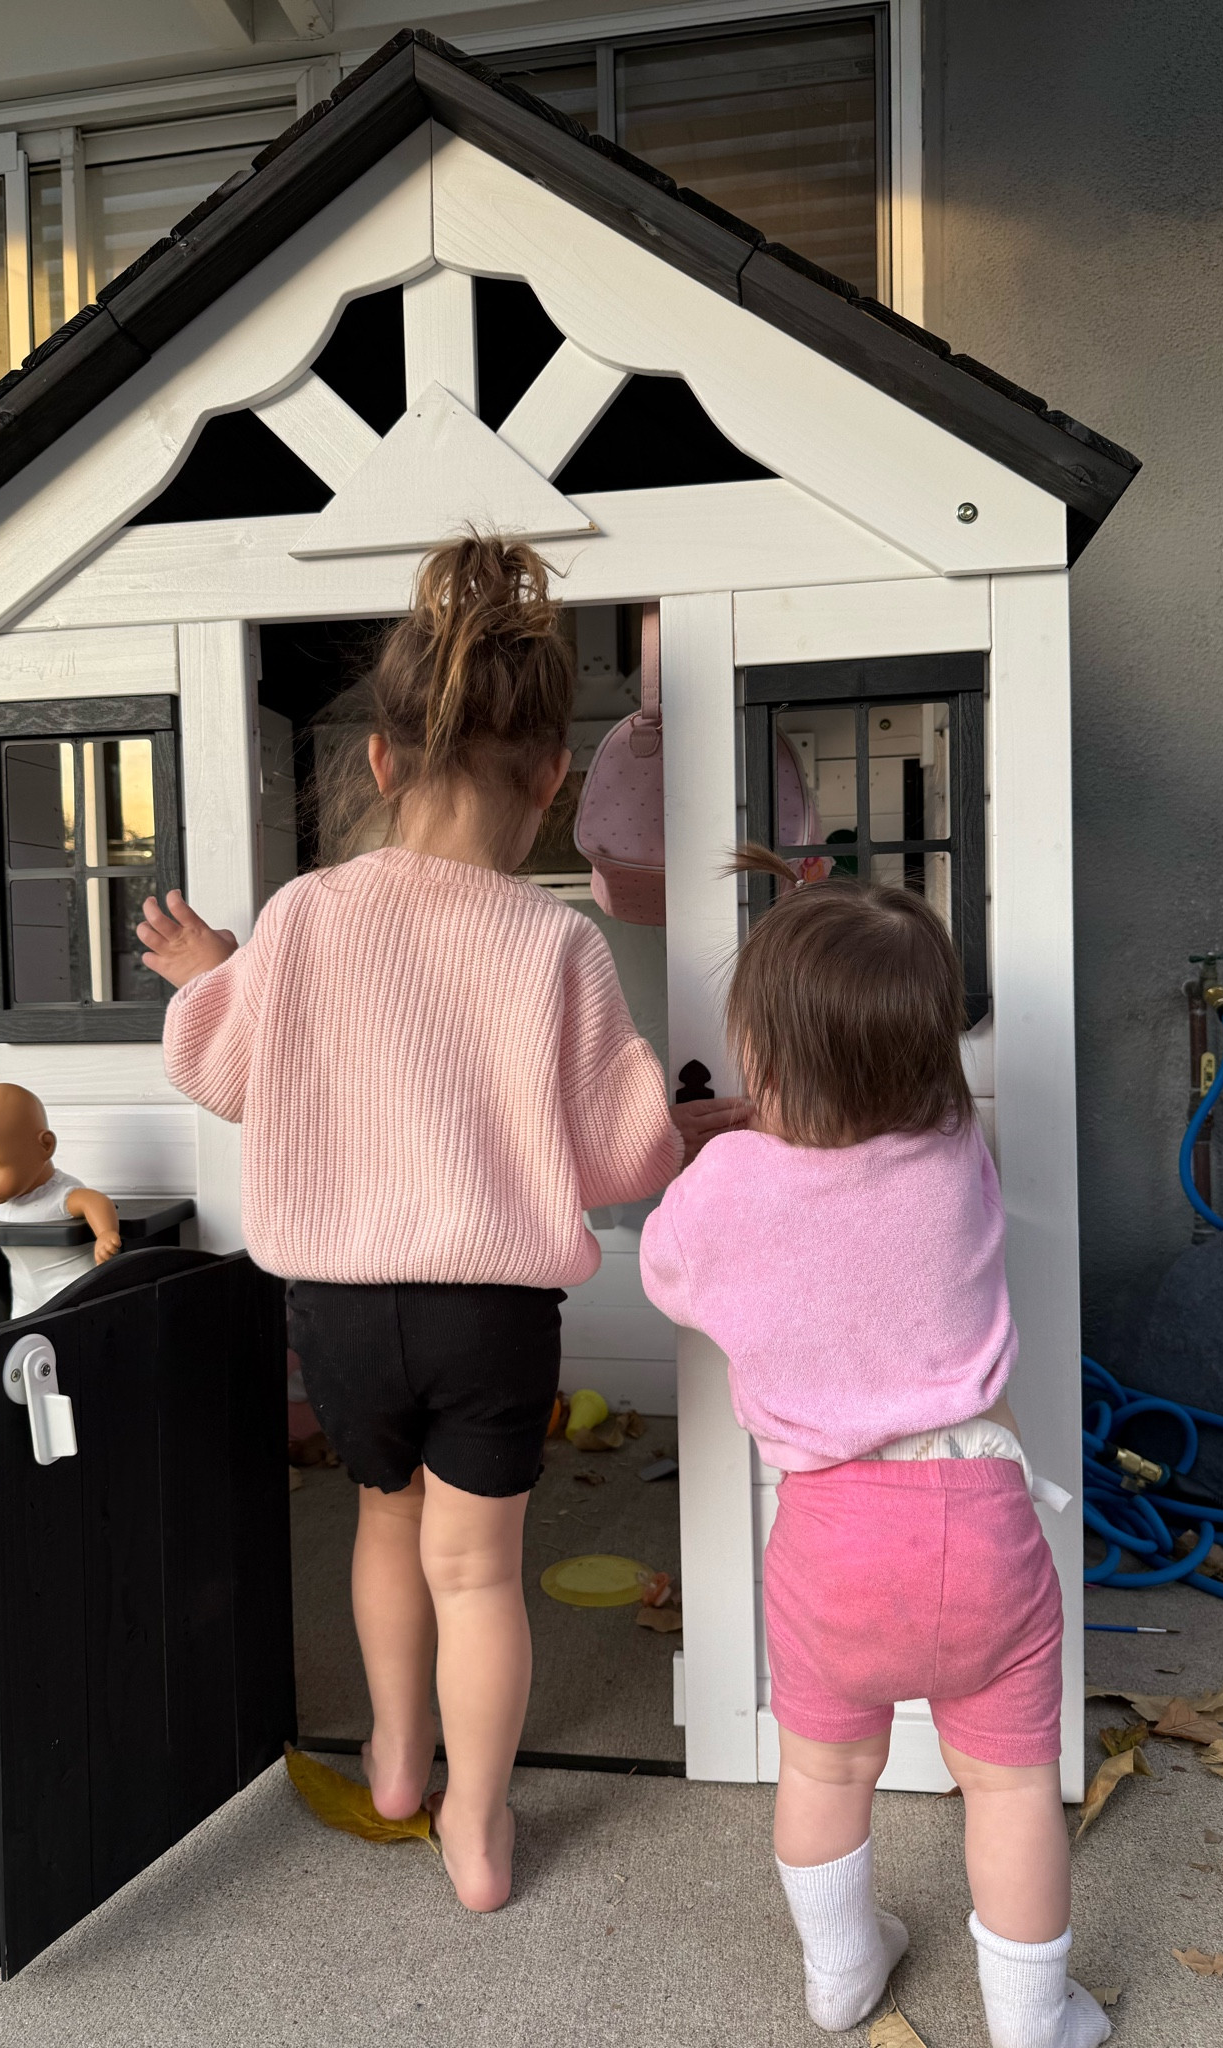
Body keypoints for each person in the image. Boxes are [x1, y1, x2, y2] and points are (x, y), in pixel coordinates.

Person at [138, 537, 739, 1912]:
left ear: (380, 761)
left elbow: (222, 1068)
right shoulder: (556, 942)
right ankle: (478, 1823)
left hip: (340, 1310)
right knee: (479, 1575)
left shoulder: (304, 916)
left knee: (382, 1526)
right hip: (492, 1316)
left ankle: (399, 1760)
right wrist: (689, 1125)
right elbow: (619, 1149)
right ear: (553, 779)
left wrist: (212, 973)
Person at [639, 851, 1104, 2048]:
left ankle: (842, 1975)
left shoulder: (731, 1181)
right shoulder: (953, 1151)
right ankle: (1032, 2019)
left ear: (761, 1054)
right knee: (1009, 1784)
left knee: (825, 1771)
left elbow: (669, 1275)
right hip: (981, 1521)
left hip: (829, 1539)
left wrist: (727, 1147)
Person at [0, 1081, 122, 1314]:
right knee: (23, 1333)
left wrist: (106, 1233)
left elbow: (95, 1202)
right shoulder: (4, 1196)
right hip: (24, 1297)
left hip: (71, 1291)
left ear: (45, 1146)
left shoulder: (58, 1195)